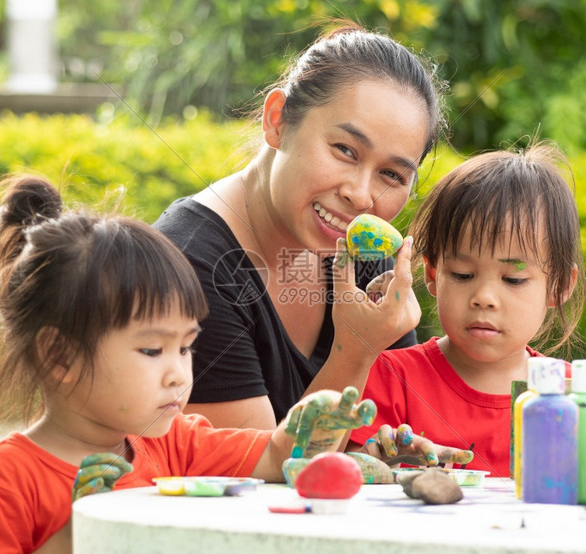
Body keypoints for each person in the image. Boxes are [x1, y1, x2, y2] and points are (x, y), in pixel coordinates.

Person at [0, 175, 470, 553]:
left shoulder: (176, 443)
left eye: (186, 347)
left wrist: (311, 425)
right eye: (152, 351)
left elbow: (272, 456)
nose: (179, 373)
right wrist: (77, 533)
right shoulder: (4, 485)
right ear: (58, 356)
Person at [154, 21, 446, 429]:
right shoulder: (189, 266)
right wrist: (355, 350)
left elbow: (393, 433)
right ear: (277, 121)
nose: (362, 196)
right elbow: (256, 474)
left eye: (392, 176)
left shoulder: (362, 253)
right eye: (345, 150)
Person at [348, 141, 586, 478]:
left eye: (513, 279)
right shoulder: (391, 377)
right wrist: (378, 459)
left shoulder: (570, 393)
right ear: (433, 275)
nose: (484, 297)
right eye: (462, 275)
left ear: (560, 285)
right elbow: (346, 473)